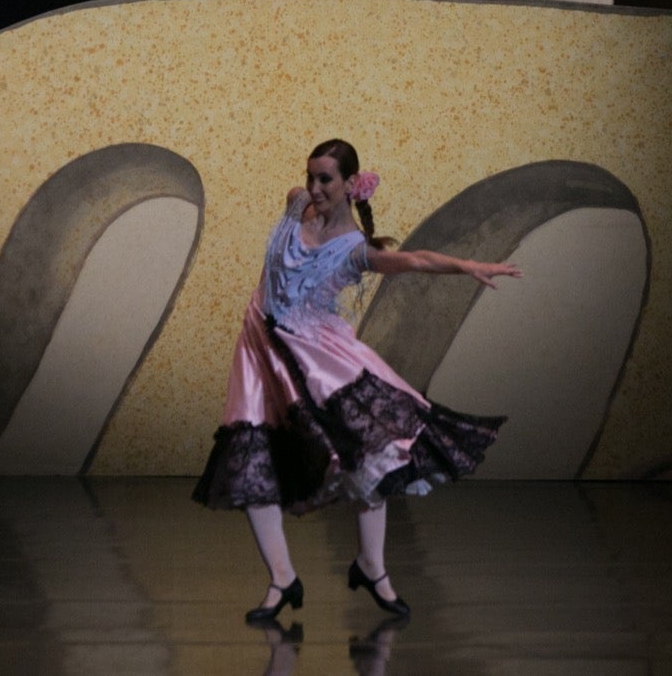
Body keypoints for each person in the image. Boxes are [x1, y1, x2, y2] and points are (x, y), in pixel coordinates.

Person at [192, 138, 521, 622]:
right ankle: (282, 578)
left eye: (325, 179)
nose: (313, 187)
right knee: (251, 465)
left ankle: (372, 565)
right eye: (311, 176)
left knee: (373, 450)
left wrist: (467, 266)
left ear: (350, 185)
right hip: (260, 354)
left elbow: (417, 261)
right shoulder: (295, 204)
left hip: (317, 359)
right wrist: (302, 196)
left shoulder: (356, 251)